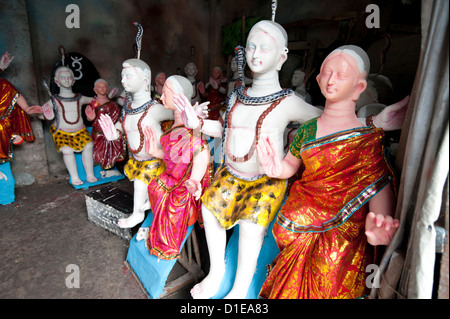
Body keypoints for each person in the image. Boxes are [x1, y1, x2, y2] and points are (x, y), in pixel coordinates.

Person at [175, 21, 408, 299]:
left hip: (265, 181)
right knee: (209, 211)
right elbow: (223, 130)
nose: (255, 53)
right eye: (250, 46)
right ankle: (216, 273)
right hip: (231, 174)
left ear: (282, 57)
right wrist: (197, 123)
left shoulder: (289, 101)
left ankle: (238, 291)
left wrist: (370, 121)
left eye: (265, 47)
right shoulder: (237, 95)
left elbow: (329, 122)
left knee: (251, 229)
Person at [258, 45, 399, 299]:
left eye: (341, 75)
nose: (331, 80)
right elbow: (292, 165)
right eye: (326, 72)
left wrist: (380, 221)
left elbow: (376, 181)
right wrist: (276, 167)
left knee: (328, 270)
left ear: (359, 87)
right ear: (319, 78)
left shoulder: (365, 139)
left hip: (342, 234)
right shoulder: (307, 130)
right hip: (298, 224)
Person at [98, 58, 174, 229]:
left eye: (128, 76)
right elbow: (122, 127)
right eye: (122, 76)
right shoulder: (127, 108)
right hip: (137, 161)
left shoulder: (155, 108)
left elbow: (176, 116)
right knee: (139, 185)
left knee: (141, 185)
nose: (123, 80)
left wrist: (190, 114)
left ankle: (140, 215)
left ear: (146, 80)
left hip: (156, 161)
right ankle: (143, 209)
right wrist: (114, 134)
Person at [143, 75, 212, 260]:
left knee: (170, 203)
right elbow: (173, 156)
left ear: (178, 96)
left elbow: (201, 153)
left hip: (183, 186)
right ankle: (156, 239)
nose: (161, 96)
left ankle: (167, 245)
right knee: (155, 186)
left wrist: (195, 179)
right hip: (168, 179)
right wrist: (155, 152)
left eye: (164, 92)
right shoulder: (173, 125)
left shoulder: (192, 127)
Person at [38, 66, 97, 186]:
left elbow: (95, 101)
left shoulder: (79, 97)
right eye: (63, 77)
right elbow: (42, 114)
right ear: (56, 81)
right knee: (67, 150)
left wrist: (95, 107)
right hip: (62, 131)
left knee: (89, 146)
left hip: (80, 130)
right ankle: (75, 176)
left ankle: (90, 174)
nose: (66, 80)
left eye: (69, 77)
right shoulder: (54, 100)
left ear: (74, 80)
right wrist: (45, 114)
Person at [85, 79, 125, 169]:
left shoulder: (112, 103)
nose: (102, 89)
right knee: (100, 148)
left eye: (104, 87)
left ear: (107, 89)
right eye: (100, 87)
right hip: (99, 131)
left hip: (112, 130)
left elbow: (118, 115)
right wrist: (90, 116)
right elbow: (90, 117)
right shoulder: (94, 102)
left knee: (117, 140)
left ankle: (112, 166)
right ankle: (102, 167)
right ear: (95, 90)